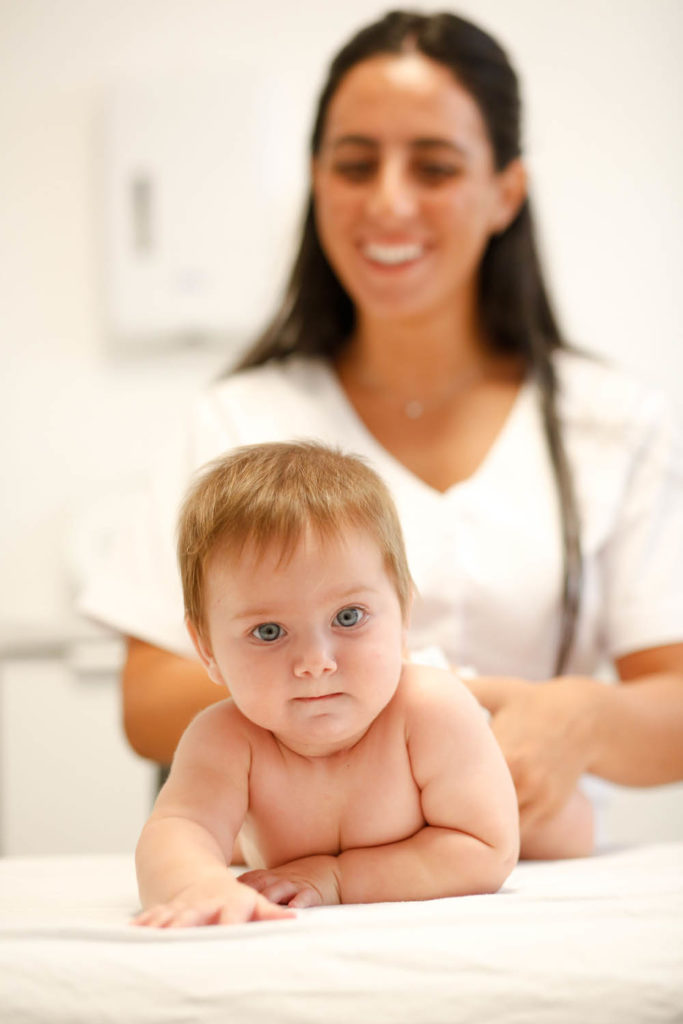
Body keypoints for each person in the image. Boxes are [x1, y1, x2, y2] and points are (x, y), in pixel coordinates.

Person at [80, 10, 683, 859]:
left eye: (433, 166)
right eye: (354, 164)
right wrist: (370, 717)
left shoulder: (613, 421)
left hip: (536, 889)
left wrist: (581, 720)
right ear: (316, 179)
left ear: (505, 191)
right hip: (294, 901)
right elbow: (146, 702)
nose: (388, 200)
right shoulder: (236, 420)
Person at [134, 441, 525, 927]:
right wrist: (199, 884)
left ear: (403, 613)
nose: (316, 663)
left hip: (467, 760)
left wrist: (336, 878)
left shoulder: (430, 709)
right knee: (220, 835)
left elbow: (486, 850)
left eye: (348, 616)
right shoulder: (226, 740)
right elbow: (177, 829)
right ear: (208, 649)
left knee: (562, 826)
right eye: (268, 632)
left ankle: (504, 700)